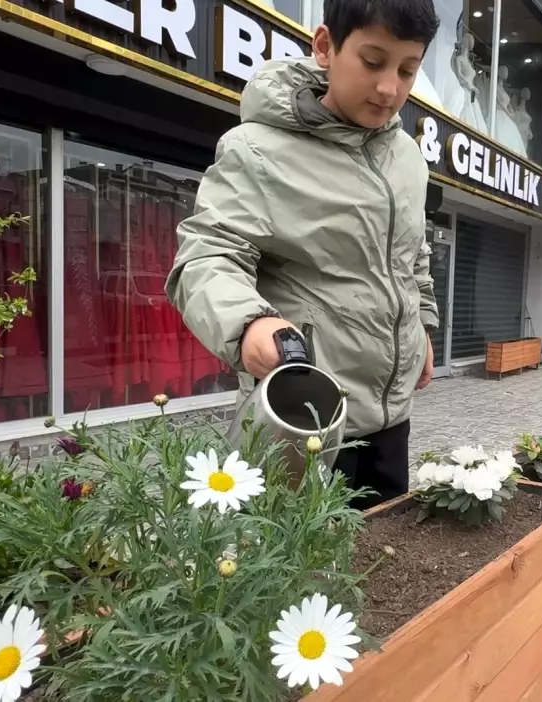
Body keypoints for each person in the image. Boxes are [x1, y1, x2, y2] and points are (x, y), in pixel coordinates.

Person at [165, 0, 442, 508]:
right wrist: (248, 322)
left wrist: (422, 321)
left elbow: (413, 254)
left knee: (386, 569)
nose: (390, 88)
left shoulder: (406, 156)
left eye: (408, 69)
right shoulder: (258, 149)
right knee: (301, 579)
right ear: (325, 47)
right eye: (373, 61)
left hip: (392, 421)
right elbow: (207, 257)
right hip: (305, 420)